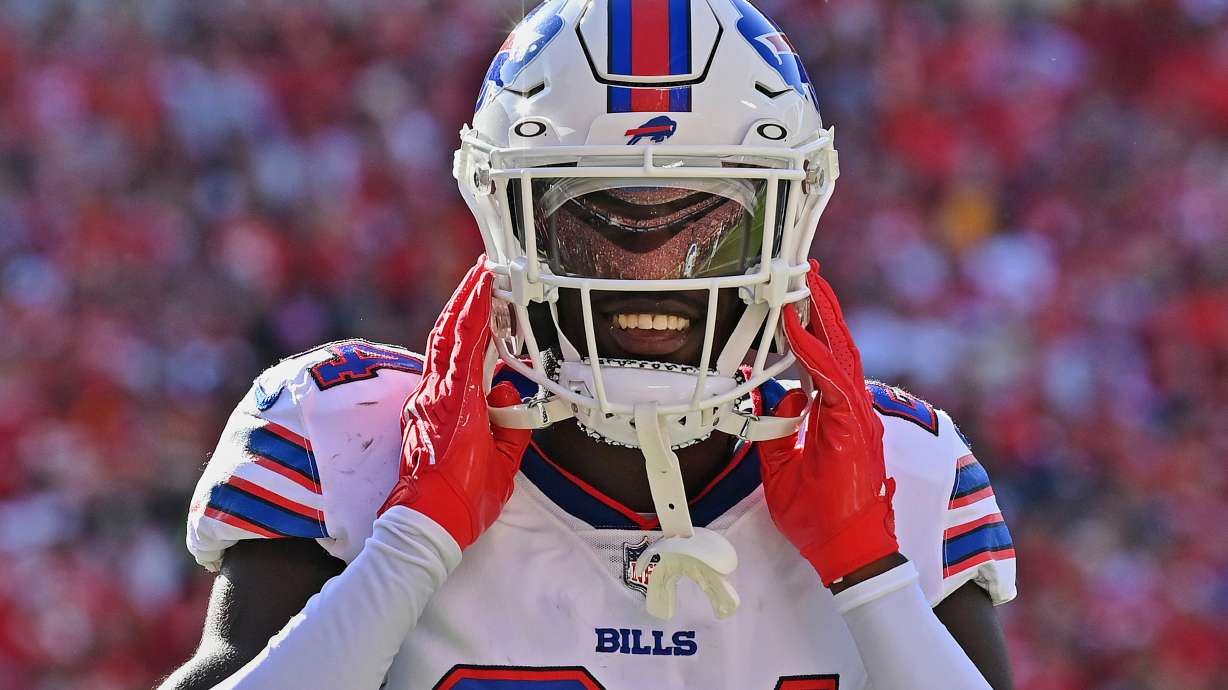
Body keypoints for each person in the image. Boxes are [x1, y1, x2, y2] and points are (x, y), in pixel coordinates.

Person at [159, 1, 1017, 688]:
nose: (649, 279)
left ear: (791, 223)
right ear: (509, 221)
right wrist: (410, 544)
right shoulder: (349, 439)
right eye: (592, 224)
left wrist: (874, 577)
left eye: (709, 230)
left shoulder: (904, 472)